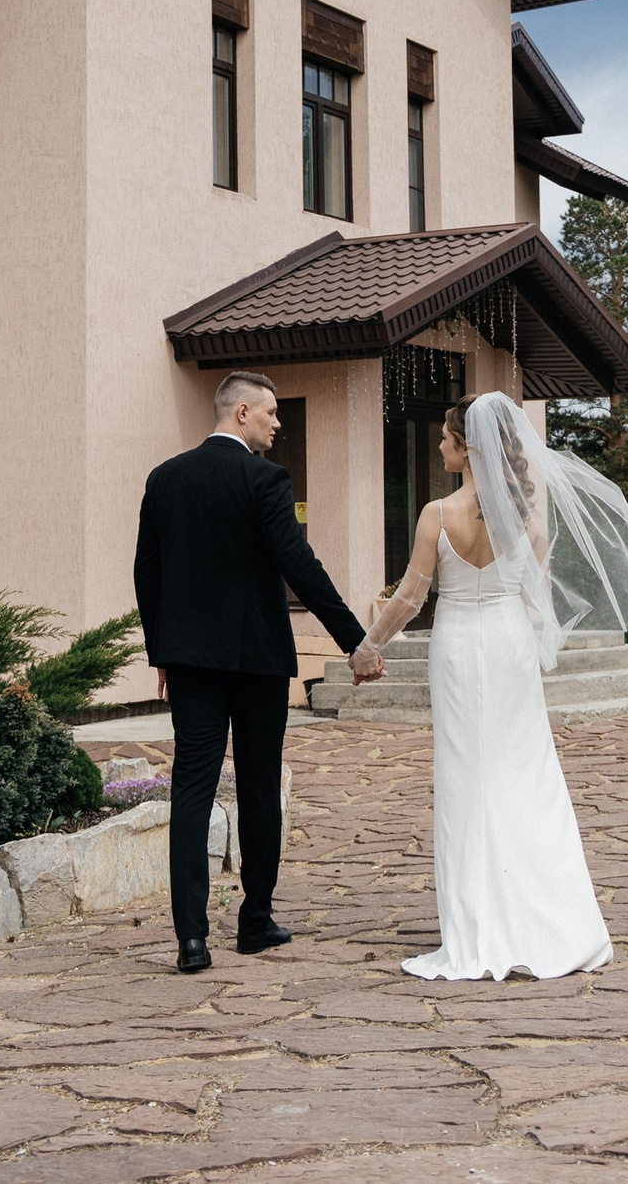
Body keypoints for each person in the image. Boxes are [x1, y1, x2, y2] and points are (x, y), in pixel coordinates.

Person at [350, 391, 628, 979]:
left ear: (467, 449)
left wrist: (367, 649)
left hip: (458, 647)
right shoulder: (526, 515)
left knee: (465, 775)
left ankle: (475, 924)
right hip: (509, 647)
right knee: (525, 773)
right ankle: (550, 917)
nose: (441, 446)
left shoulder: (436, 515)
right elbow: (534, 598)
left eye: (446, 438)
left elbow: (411, 598)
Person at [134, 370, 374, 974]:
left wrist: (161, 651)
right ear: (241, 412)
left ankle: (191, 939)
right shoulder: (264, 479)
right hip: (258, 659)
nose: (277, 422)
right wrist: (354, 640)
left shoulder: (165, 479)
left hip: (188, 659)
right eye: (269, 413)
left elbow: (148, 573)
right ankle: (254, 920)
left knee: (191, 788)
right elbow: (300, 563)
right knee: (260, 783)